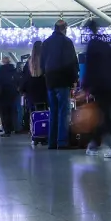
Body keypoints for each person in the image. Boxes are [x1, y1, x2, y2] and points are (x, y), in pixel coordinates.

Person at [81, 20, 111, 158]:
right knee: (105, 117)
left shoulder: (92, 45)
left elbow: (89, 67)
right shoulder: (105, 44)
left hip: (100, 87)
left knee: (101, 119)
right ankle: (93, 145)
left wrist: (85, 87)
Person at [41, 20, 79, 149]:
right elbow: (72, 62)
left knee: (53, 111)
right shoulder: (67, 42)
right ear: (64, 28)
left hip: (50, 81)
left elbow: (42, 63)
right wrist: (74, 79)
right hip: (63, 80)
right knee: (63, 111)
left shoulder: (46, 43)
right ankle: (62, 142)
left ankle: (52, 142)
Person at [0, 56, 18, 137]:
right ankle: (14, 128)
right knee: (12, 111)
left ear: (3, 61)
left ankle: (7, 130)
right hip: (13, 93)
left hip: (3, 93)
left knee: (4, 112)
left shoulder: (0, 70)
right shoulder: (14, 69)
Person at [22, 41, 48, 111]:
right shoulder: (46, 59)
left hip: (31, 89)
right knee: (44, 109)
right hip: (44, 88)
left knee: (32, 110)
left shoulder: (29, 61)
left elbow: (25, 77)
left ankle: (33, 120)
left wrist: (23, 90)